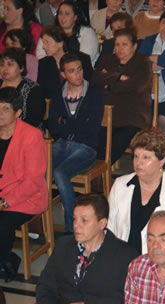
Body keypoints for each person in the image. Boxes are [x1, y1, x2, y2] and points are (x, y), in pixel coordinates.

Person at [36, 194, 138, 304]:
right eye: (74, 219)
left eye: (84, 220)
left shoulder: (125, 254)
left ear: (102, 223)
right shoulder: (63, 246)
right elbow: (44, 289)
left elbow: (124, 301)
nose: (76, 226)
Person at [107, 129, 165, 254]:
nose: (138, 162)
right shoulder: (120, 185)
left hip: (157, 265)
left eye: (146, 157)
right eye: (136, 156)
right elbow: (109, 230)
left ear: (162, 161)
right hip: (120, 262)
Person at [48, 52, 104, 233]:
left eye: (79, 69)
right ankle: (41, 225)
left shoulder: (95, 92)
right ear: (63, 74)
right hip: (62, 143)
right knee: (42, 168)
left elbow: (92, 127)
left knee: (60, 172)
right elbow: (52, 126)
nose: (77, 75)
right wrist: (74, 123)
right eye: (71, 71)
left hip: (86, 147)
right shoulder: (58, 94)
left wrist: (65, 122)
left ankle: (72, 227)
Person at [0, 87, 47, 283]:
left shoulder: (31, 136)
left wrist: (4, 202)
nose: (0, 114)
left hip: (26, 198)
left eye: (5, 109)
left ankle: (4, 260)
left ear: (18, 113)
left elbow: (33, 182)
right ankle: (8, 259)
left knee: (2, 224)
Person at [93, 28, 152, 164]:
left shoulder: (143, 63)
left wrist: (108, 83)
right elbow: (95, 79)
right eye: (117, 44)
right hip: (107, 116)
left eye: (124, 44)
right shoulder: (108, 59)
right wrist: (118, 77)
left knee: (108, 152)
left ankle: (100, 179)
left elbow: (136, 87)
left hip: (132, 117)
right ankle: (97, 176)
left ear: (134, 46)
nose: (120, 49)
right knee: (92, 146)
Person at [37, 25, 93, 99]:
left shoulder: (82, 59)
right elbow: (41, 92)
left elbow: (90, 87)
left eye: (47, 43)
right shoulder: (43, 64)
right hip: (54, 105)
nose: (43, 47)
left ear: (60, 43)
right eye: (43, 43)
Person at [36, 1, 100, 66]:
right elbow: (40, 56)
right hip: (52, 69)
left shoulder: (87, 32)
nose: (63, 17)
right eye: (60, 13)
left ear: (75, 17)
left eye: (67, 14)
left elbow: (86, 58)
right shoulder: (50, 32)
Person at [0, 48, 43, 128]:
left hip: (23, 131)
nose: (5, 68)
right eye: (2, 64)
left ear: (21, 68)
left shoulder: (32, 89)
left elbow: (34, 120)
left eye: (10, 64)